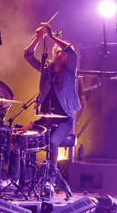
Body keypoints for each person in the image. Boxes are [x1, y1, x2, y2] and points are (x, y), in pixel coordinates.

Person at [23, 23, 80, 195]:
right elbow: (27, 55)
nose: (62, 54)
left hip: (64, 120)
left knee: (53, 141)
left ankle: (50, 179)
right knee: (24, 137)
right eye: (59, 52)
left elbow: (71, 51)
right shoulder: (46, 69)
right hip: (45, 119)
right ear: (54, 55)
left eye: (63, 53)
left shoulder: (70, 71)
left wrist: (51, 35)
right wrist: (39, 38)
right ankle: (26, 178)